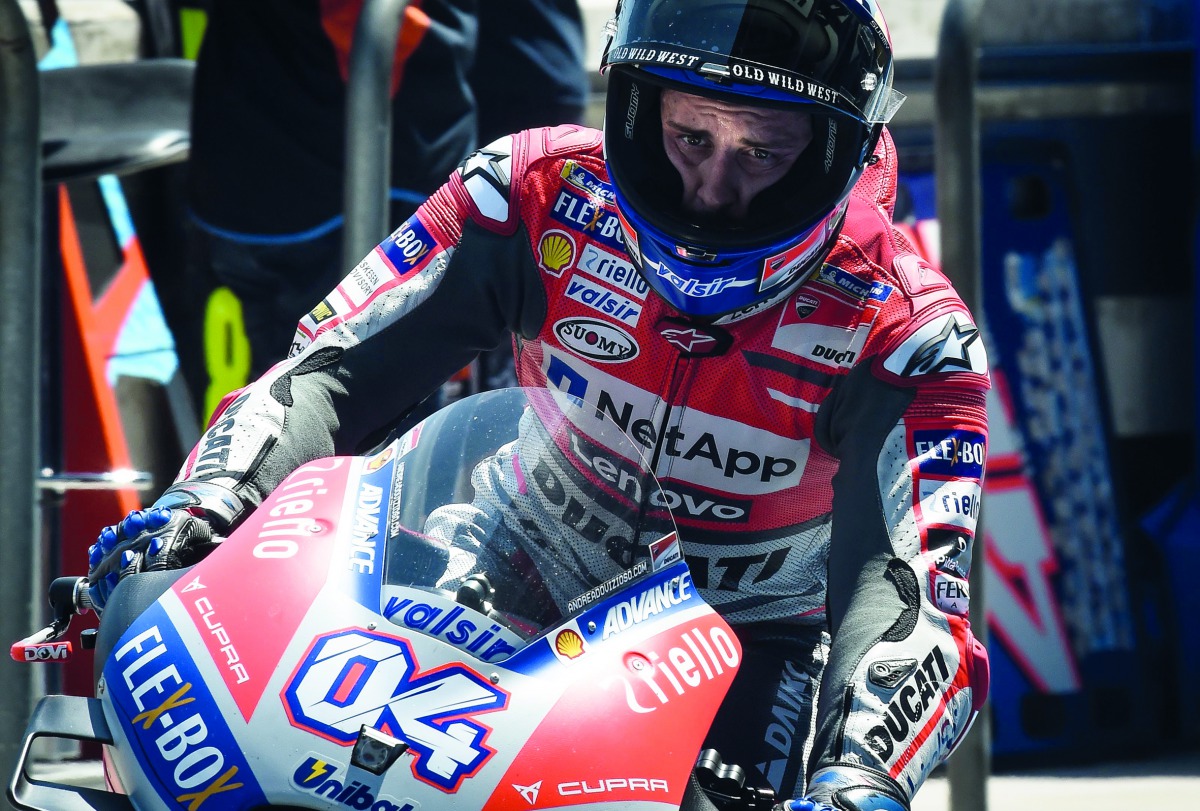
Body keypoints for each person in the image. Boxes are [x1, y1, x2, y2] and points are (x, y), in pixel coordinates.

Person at [87, 2, 991, 810]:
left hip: (743, 639)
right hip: (505, 561)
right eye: (689, 139)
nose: (712, 191)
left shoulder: (912, 332)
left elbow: (911, 594)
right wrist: (196, 508)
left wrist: (860, 778)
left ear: (832, 148)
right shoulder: (524, 189)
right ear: (639, 111)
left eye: (763, 152)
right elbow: (328, 369)